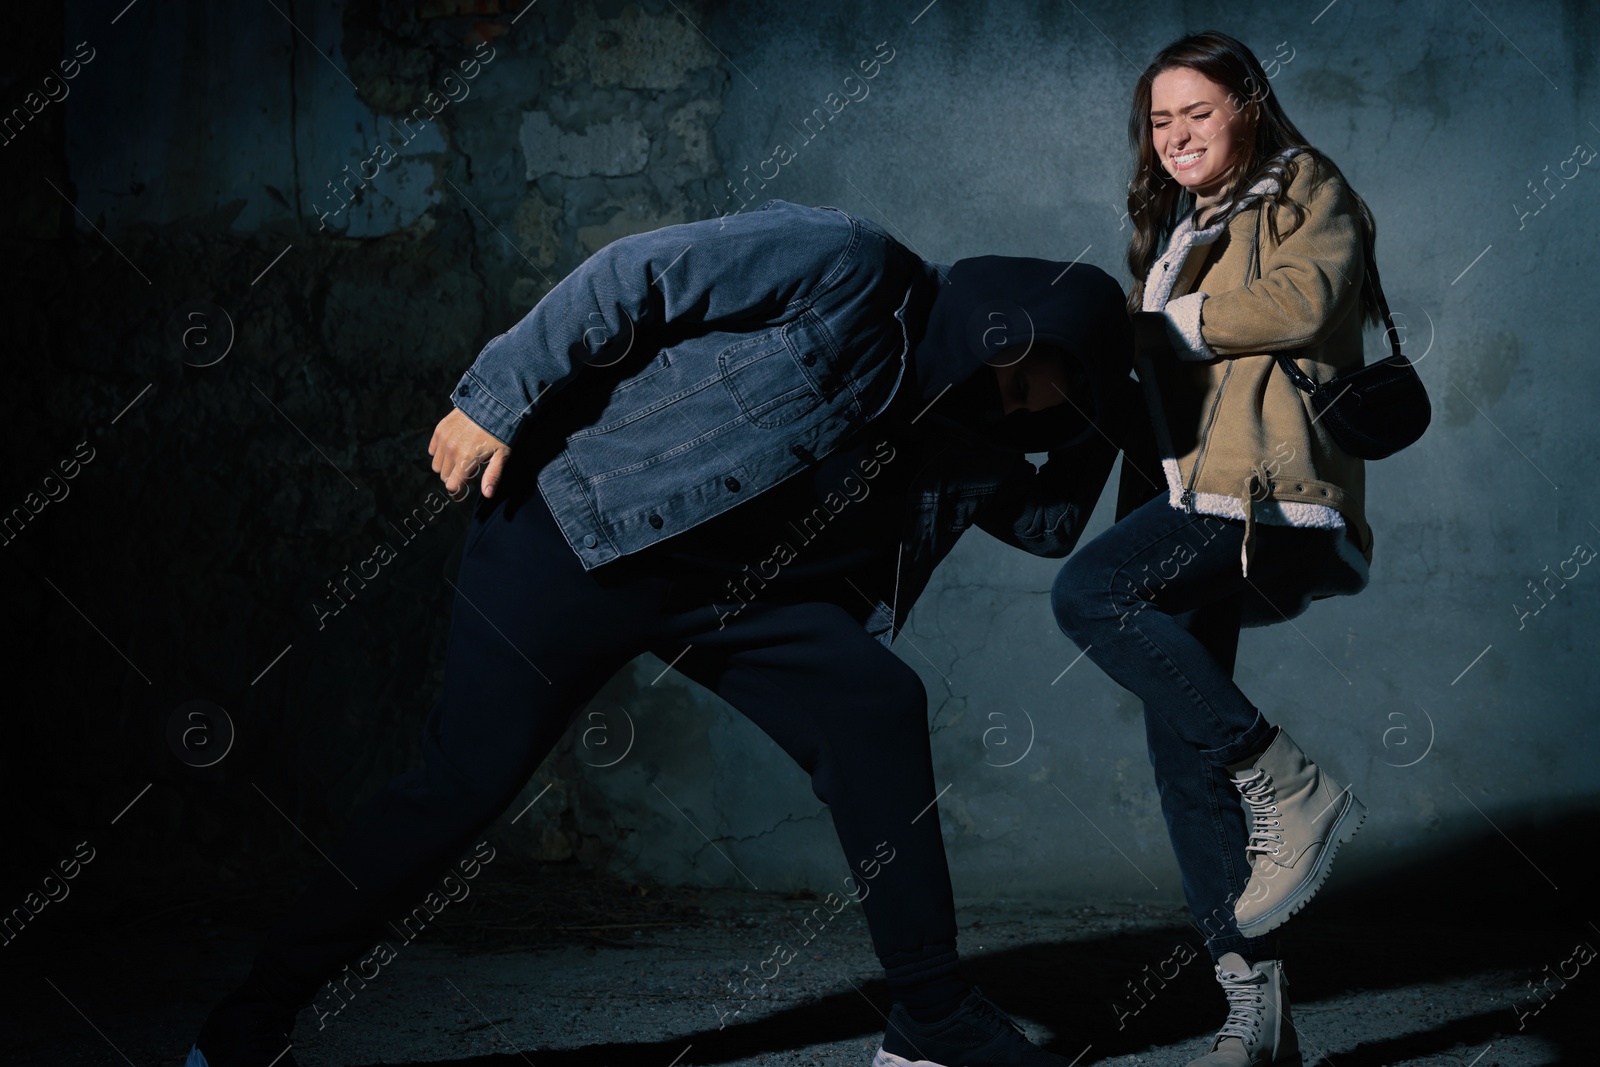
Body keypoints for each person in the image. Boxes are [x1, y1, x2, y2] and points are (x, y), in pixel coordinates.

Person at [186, 198, 1140, 1067]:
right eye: (1012, 379)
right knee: (460, 785)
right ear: (999, 314)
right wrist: (495, 397)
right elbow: (637, 273)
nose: (1001, 404)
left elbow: (1048, 525)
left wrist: (1124, 395)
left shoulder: (960, 426)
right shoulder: (851, 262)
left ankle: (930, 1015)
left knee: (875, 705)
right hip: (580, 533)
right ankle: (246, 1025)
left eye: (1025, 411)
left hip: (733, 594)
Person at [1048, 31, 1382, 1066]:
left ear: (1246, 104)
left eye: (1197, 111)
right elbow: (1153, 385)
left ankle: (1285, 779)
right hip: (1180, 485)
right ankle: (1256, 1010)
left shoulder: (1302, 187)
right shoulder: (1177, 226)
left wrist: (1167, 323)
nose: (1178, 134)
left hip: (1262, 484)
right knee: (1177, 746)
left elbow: (1303, 302)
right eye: (1160, 121)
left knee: (1088, 596)